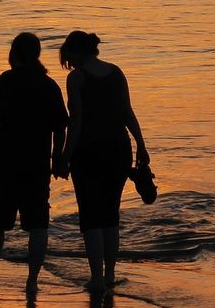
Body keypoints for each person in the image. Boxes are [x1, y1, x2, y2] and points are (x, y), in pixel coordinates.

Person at [55, 30, 150, 294]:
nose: (68, 63)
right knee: (110, 215)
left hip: (89, 152)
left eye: (69, 56)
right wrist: (141, 145)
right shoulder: (116, 72)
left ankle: (96, 278)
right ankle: (109, 275)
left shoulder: (77, 79)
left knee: (91, 217)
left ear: (77, 52)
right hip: (119, 149)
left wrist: (64, 157)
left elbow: (77, 123)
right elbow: (127, 112)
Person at [0, 32, 68, 295]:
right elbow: (60, 127)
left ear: (14, 54)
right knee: (38, 225)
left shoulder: (4, 82)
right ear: (37, 54)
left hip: (5, 163)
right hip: (36, 164)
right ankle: (32, 280)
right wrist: (57, 157)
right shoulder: (49, 85)